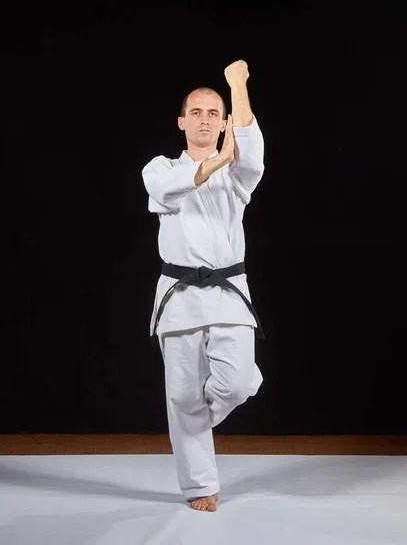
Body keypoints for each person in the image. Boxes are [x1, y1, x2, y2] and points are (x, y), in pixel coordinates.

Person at [141, 60, 265, 512]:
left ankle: (192, 421)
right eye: (196, 112)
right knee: (182, 393)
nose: (205, 119)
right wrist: (217, 160)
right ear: (181, 121)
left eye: (214, 113)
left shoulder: (237, 176)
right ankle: (200, 486)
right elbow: (177, 185)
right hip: (179, 297)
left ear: (224, 122)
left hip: (229, 293)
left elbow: (250, 152)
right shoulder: (159, 169)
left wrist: (237, 85)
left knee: (234, 384)